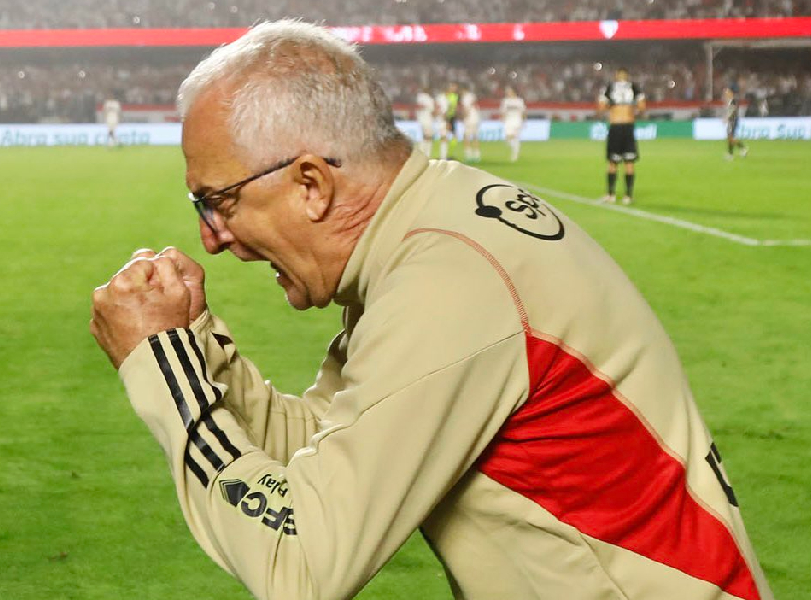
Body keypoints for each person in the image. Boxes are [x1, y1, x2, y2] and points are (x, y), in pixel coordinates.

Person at [90, 21, 773, 600]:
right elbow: (319, 444)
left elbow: (301, 563)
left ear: (310, 185)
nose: (212, 236)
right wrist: (195, 344)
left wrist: (161, 369)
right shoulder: (434, 229)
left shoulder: (449, 280)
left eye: (220, 200)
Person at [598, 67, 645, 205]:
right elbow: (642, 107)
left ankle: (610, 194)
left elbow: (601, 107)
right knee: (629, 162)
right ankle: (628, 196)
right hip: (628, 125)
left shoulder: (610, 88)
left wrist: (612, 107)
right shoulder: (634, 88)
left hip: (616, 126)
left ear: (617, 75)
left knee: (613, 162)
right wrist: (631, 110)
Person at [500, 85, 527, 162]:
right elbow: (503, 111)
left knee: (514, 135)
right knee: (508, 137)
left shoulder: (519, 101)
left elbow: (523, 111)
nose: (507, 93)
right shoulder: (505, 101)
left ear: (513, 91)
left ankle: (514, 155)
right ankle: (516, 148)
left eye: (509, 91)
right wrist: (502, 118)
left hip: (517, 120)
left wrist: (524, 121)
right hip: (508, 121)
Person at [723, 85, 749, 160]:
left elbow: (732, 110)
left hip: (733, 120)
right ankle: (731, 154)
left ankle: (743, 148)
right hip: (732, 120)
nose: (726, 93)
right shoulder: (730, 101)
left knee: (730, 138)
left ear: (731, 92)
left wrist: (726, 118)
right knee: (729, 137)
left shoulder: (733, 100)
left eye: (727, 92)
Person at [434, 82, 458, 160]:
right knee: (443, 138)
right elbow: (437, 108)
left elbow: (448, 111)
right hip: (440, 121)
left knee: (444, 138)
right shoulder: (441, 97)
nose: (453, 90)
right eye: (452, 88)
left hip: (444, 120)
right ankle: (443, 157)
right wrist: (441, 115)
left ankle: (443, 156)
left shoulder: (448, 99)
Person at [460, 85, 481, 162]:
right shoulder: (472, 95)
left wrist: (463, 117)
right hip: (476, 117)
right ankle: (477, 155)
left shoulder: (465, 97)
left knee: (466, 136)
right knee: (475, 136)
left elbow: (466, 109)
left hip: (469, 118)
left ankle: (468, 155)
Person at [414, 85, 435, 158]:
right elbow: (432, 111)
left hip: (421, 119)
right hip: (427, 119)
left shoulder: (419, 97)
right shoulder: (429, 99)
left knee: (424, 137)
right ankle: (427, 154)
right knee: (429, 137)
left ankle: (422, 153)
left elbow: (418, 106)